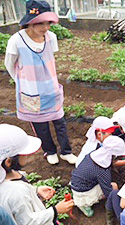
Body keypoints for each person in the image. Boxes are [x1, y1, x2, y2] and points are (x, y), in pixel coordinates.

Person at [4, 0, 77, 165]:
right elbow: (9, 64)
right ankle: (49, 151)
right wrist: (21, 81)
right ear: (29, 22)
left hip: (50, 88)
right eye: (40, 23)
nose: (45, 28)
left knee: (59, 121)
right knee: (40, 124)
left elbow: (49, 60)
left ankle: (66, 151)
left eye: (48, 23)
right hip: (30, 90)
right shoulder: (16, 41)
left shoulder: (51, 37)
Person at [0, 124, 74, 224]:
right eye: (23, 154)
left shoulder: (9, 176)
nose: (27, 156)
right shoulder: (17, 192)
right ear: (8, 162)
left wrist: (35, 191)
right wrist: (55, 210)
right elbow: (27, 222)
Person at [71, 136, 125, 217]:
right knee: (114, 186)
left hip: (76, 181)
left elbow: (111, 163)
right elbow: (108, 191)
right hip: (82, 191)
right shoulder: (102, 171)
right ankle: (84, 205)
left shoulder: (96, 154)